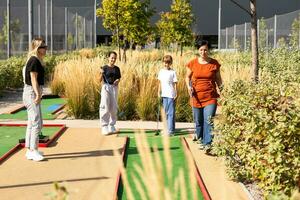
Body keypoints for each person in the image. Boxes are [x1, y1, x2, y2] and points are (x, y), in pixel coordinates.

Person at [185, 40, 223, 151]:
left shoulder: (214, 63)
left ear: (208, 50)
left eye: (205, 49)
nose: (203, 52)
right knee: (199, 121)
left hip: (210, 96)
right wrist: (188, 87)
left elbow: (218, 79)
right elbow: (187, 77)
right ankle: (201, 139)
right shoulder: (192, 63)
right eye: (201, 49)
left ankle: (208, 143)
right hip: (196, 97)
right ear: (198, 50)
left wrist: (223, 91)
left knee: (209, 119)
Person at [23, 38, 47, 161]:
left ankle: (29, 149)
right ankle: (33, 150)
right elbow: (33, 79)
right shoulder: (34, 60)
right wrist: (38, 94)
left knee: (32, 123)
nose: (46, 48)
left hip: (31, 93)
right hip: (31, 93)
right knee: (37, 123)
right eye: (43, 46)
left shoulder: (36, 60)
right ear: (37, 48)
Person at [99, 51, 121, 135]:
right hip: (106, 87)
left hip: (114, 88)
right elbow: (99, 80)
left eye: (115, 58)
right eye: (112, 57)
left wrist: (117, 81)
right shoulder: (104, 68)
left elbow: (119, 78)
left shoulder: (117, 69)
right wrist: (101, 73)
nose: (113, 59)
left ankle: (112, 125)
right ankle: (104, 126)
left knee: (113, 107)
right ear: (108, 58)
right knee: (105, 105)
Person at [158, 55, 178, 136]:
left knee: (171, 112)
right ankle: (166, 128)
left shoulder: (173, 72)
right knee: (165, 112)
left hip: (170, 94)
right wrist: (158, 91)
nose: (166, 64)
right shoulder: (161, 71)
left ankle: (171, 130)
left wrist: (176, 92)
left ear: (171, 63)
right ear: (163, 62)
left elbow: (175, 84)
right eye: (165, 63)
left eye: (168, 63)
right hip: (164, 94)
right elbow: (159, 83)